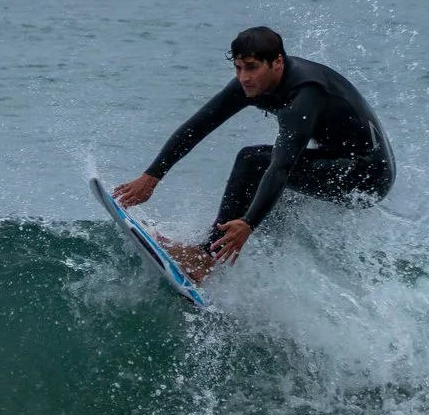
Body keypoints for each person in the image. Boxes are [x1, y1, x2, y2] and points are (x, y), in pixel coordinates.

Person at [112, 26, 393, 271]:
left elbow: (282, 165)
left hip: (366, 175)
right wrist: (152, 176)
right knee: (267, 197)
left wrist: (248, 223)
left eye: (252, 67)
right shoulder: (251, 84)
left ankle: (206, 259)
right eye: (238, 67)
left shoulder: (305, 93)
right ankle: (247, 269)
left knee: (253, 161)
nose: (244, 77)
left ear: (277, 62)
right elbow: (199, 125)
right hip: (334, 159)